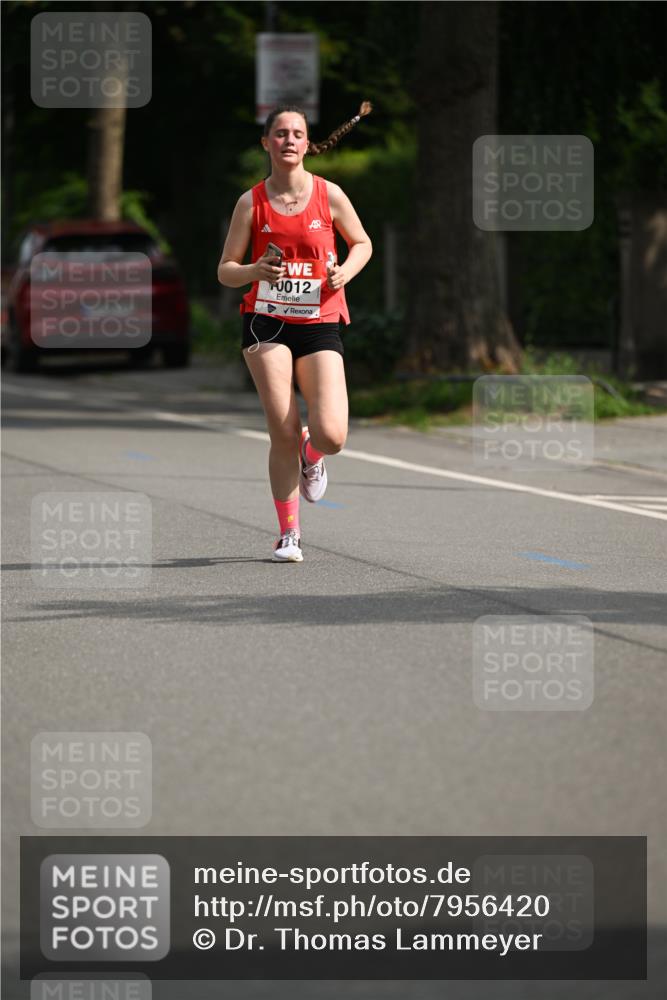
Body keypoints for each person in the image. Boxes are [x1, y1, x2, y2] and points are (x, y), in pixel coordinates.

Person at [217, 102, 373, 562]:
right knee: (281, 430)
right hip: (266, 323)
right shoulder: (252, 202)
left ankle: (313, 453)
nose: (289, 140)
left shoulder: (330, 195)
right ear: (266, 143)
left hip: (320, 322)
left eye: (297, 134)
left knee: (333, 434)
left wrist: (344, 272)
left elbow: (362, 243)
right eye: (280, 133)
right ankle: (289, 533)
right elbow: (225, 271)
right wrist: (254, 269)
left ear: (308, 144)